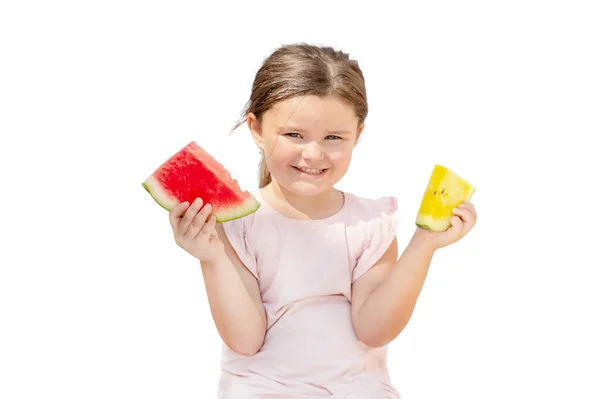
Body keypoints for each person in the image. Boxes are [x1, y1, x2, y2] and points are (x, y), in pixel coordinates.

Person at [168, 43, 478, 398]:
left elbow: (373, 329)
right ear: (256, 129)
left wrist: (425, 244)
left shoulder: (370, 224)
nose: (313, 153)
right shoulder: (236, 224)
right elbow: (245, 339)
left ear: (358, 134)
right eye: (294, 135)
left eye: (333, 137)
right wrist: (212, 258)